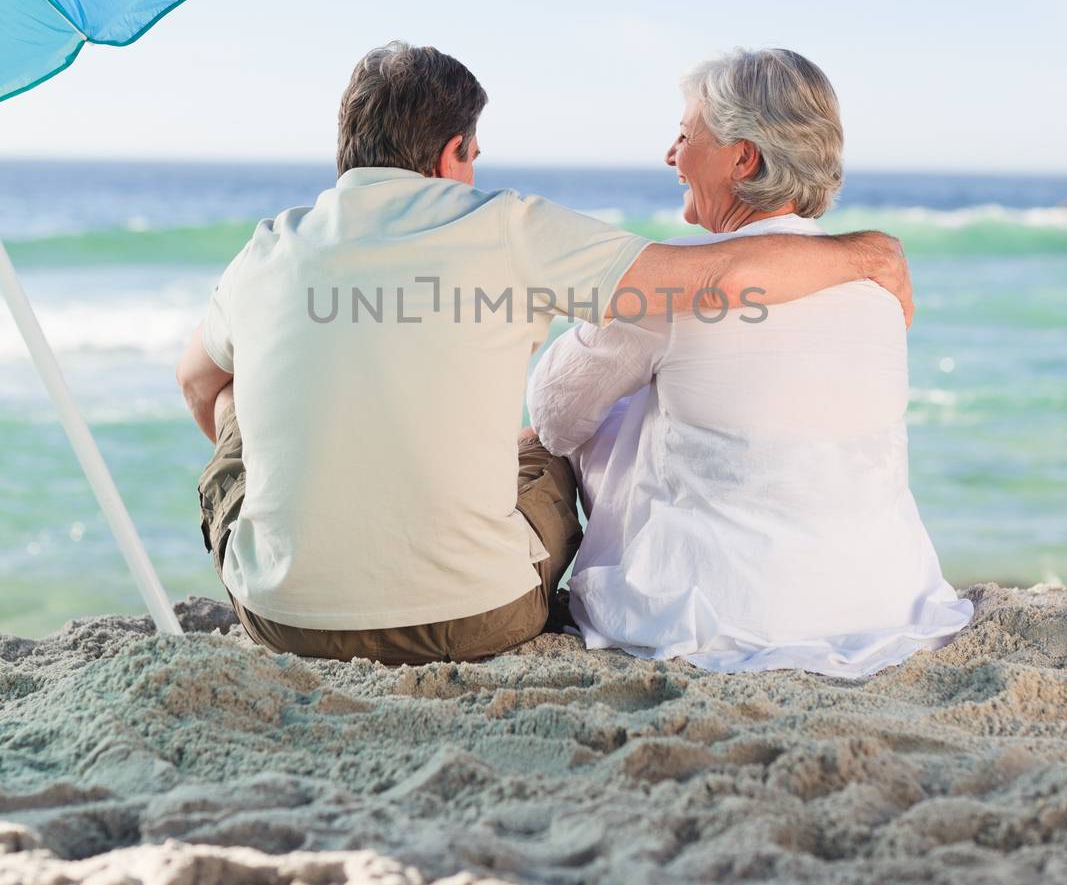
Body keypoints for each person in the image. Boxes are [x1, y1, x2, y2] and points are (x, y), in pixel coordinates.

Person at [177, 41, 912, 666]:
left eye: (682, 135)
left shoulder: (266, 249)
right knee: (541, 455)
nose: (669, 152)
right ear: (452, 152)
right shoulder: (506, 226)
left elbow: (196, 385)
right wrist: (867, 253)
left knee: (234, 396)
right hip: (481, 618)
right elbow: (712, 278)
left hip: (282, 621)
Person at [527, 48, 973, 679]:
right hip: (883, 597)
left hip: (714, 611)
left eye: (685, 135)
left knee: (591, 414)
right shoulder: (880, 284)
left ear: (743, 158)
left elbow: (552, 417)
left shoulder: (682, 286)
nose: (670, 156)